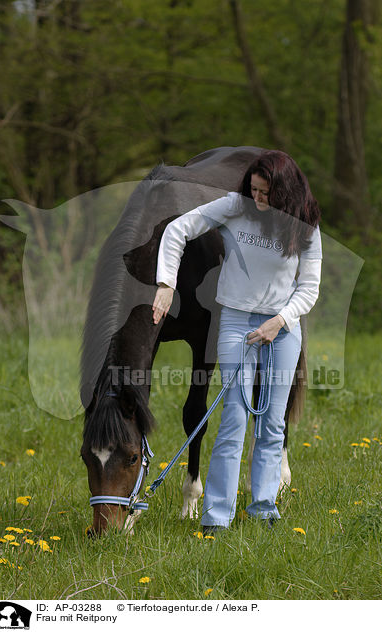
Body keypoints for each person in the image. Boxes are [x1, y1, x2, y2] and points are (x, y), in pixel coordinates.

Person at [151, 150, 322, 533]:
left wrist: (280, 321)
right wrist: (166, 283)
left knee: (272, 424)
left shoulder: (305, 226)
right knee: (234, 418)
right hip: (236, 322)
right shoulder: (235, 206)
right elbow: (177, 230)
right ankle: (216, 516)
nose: (257, 199)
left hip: (282, 327)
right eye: (254, 190)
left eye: (265, 193)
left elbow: (308, 289)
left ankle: (263, 507)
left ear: (286, 193)